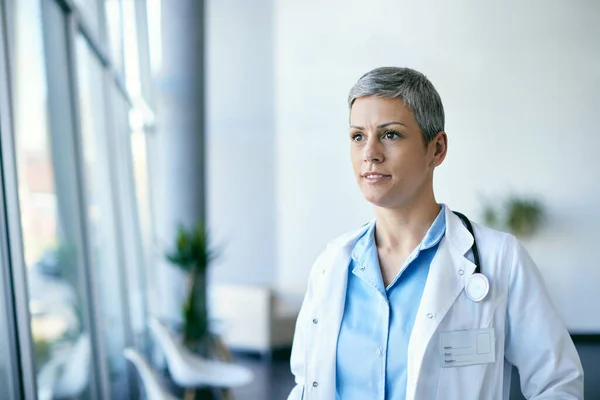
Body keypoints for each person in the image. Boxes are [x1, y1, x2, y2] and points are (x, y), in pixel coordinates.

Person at [287, 67, 583, 400]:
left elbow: (558, 385)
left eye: (390, 134)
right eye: (358, 136)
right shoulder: (331, 266)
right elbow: (305, 383)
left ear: (437, 149)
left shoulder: (501, 260)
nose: (369, 153)